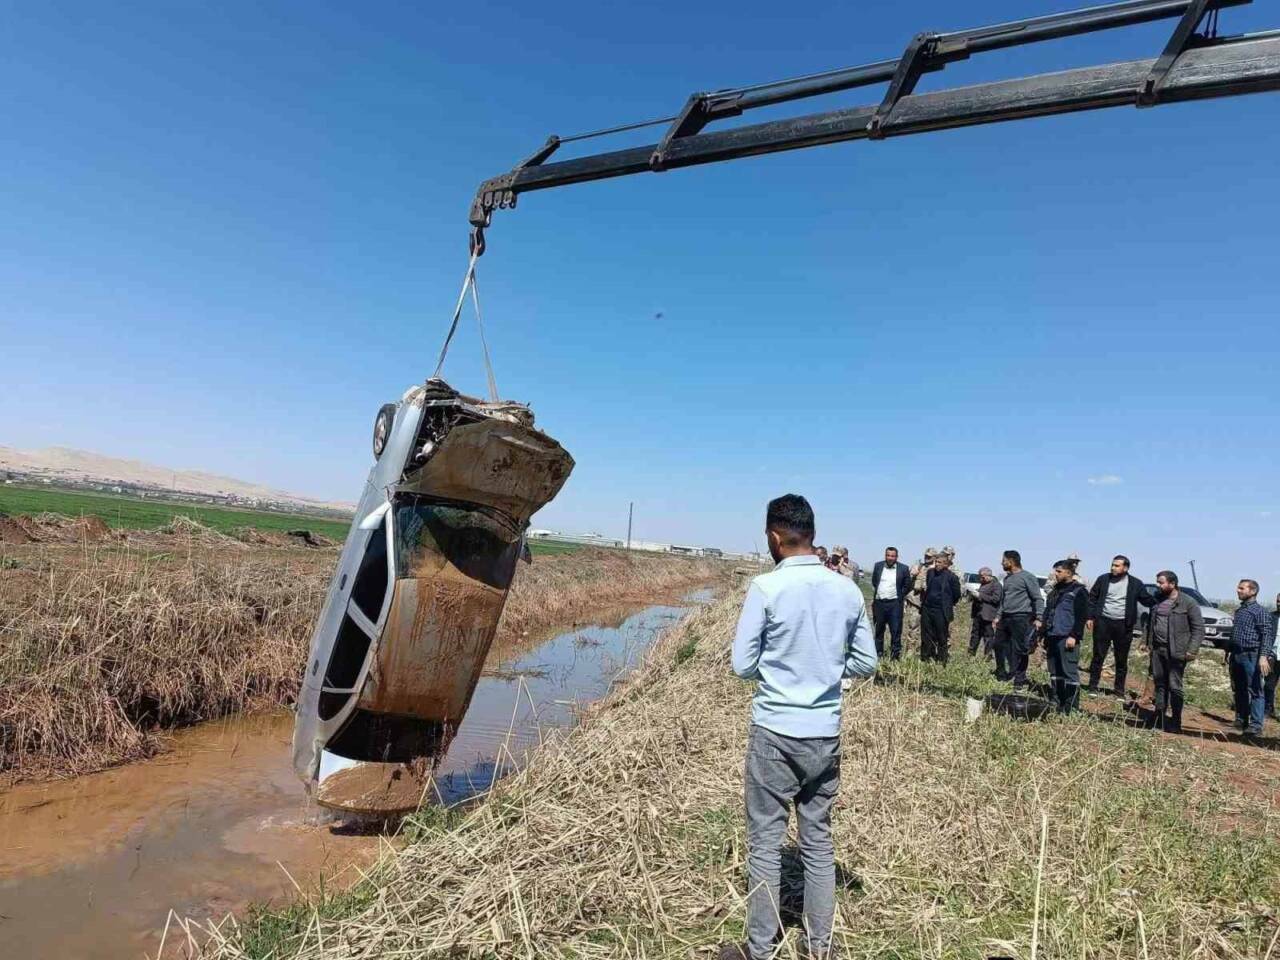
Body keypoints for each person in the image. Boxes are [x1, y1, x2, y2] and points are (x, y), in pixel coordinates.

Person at [725, 494, 877, 960]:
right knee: (818, 843)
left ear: (775, 536)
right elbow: (867, 662)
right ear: (811, 534)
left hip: (774, 731)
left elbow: (742, 665)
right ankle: (819, 948)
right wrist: (827, 672)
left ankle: (760, 949)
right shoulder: (847, 591)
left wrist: (779, 672)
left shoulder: (766, 588)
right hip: (824, 734)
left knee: (765, 845)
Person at [1145, 570, 1204, 734]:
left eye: (1161, 582)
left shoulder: (1188, 602)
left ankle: (1176, 721)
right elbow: (1151, 622)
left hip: (1177, 651)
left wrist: (1192, 649)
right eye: (1157, 582)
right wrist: (1146, 641)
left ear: (1172, 584)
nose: (1158, 585)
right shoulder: (1158, 600)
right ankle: (1159, 716)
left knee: (1174, 686)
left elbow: (1198, 628)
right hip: (1158, 649)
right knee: (1159, 683)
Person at [1084, 556, 1147, 697]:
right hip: (1103, 622)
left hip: (1123, 625)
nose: (1113, 568)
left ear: (1126, 568)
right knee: (1098, 656)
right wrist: (1090, 617)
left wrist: (1161, 598)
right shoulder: (1103, 579)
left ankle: (1119, 691)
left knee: (1121, 659)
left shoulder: (1135, 583)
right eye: (1112, 565)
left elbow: (1146, 599)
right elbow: (1092, 598)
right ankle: (1092, 687)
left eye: (1117, 565)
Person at [1227, 579, 1273, 736]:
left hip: (1252, 655)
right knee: (1239, 689)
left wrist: (1263, 657)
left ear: (1253, 591)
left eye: (1242, 588)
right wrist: (1228, 651)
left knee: (1255, 690)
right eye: (1238, 587)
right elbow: (1235, 633)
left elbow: (1267, 635)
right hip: (1237, 654)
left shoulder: (1259, 612)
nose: (1238, 590)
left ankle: (1255, 725)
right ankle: (1241, 720)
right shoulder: (1240, 611)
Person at [1042, 561, 1089, 713]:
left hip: (1067, 637)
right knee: (1054, 672)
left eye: (1059, 571)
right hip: (1052, 636)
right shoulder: (1055, 591)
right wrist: (1042, 633)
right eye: (1055, 571)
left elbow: (1081, 616)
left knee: (1069, 672)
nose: (1055, 574)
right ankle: (1057, 702)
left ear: (1069, 573)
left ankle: (1071, 708)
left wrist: (1074, 636)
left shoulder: (1079, 591)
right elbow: (1048, 612)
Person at [993, 550, 1045, 688]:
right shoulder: (1007, 579)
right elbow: (1004, 600)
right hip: (1006, 617)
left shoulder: (1027, 577)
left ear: (1011, 561)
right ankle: (1002, 674)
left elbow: (1037, 598)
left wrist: (1039, 617)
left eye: (1003, 560)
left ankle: (1019, 680)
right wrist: (998, 616)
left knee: (1020, 649)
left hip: (1021, 617)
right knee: (998, 645)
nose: (1001, 563)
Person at [872, 547, 913, 660]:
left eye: (892, 556)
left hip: (895, 604)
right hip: (880, 603)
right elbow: (875, 582)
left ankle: (895, 656)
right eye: (888, 555)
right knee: (879, 630)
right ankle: (878, 654)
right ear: (885, 555)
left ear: (896, 557)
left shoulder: (903, 568)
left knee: (895, 631)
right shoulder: (878, 566)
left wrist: (900, 594)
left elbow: (908, 585)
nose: (890, 558)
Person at [921, 552, 962, 663]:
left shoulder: (952, 577)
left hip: (941, 611)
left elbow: (957, 595)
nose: (937, 564)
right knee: (926, 635)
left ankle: (942, 660)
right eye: (936, 562)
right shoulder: (930, 573)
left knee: (941, 636)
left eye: (940, 562)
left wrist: (947, 604)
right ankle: (926, 658)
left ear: (946, 564)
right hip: (927, 608)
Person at [903, 547, 935, 653]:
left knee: (929, 629)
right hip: (915, 601)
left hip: (929, 603)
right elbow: (907, 580)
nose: (927, 557)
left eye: (929, 556)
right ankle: (910, 651)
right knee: (913, 626)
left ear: (934, 557)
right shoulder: (918, 566)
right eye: (926, 555)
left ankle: (925, 652)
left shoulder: (936, 569)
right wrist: (913, 574)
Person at [968, 567, 1002, 658]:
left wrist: (980, 595)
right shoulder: (983, 584)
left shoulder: (996, 585)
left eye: (982, 577)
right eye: (980, 577)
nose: (980, 579)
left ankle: (987, 657)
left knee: (988, 637)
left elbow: (996, 599)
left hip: (988, 616)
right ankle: (970, 655)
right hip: (978, 614)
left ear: (989, 575)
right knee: (975, 635)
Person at [1267, 592, 1280, 721]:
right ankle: (1268, 708)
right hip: (1273, 655)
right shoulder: (1271, 617)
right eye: (1277, 601)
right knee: (1269, 684)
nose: (1278, 603)